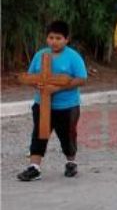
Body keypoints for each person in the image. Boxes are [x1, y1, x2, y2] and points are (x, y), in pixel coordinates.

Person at [17, 21, 88, 182]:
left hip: (67, 106)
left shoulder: (73, 57)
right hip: (42, 104)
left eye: (58, 38)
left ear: (66, 39)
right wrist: (38, 85)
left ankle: (71, 162)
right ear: (46, 38)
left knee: (67, 136)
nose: (54, 41)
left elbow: (82, 79)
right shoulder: (40, 55)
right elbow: (31, 76)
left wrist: (57, 88)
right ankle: (34, 167)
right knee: (39, 134)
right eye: (51, 37)